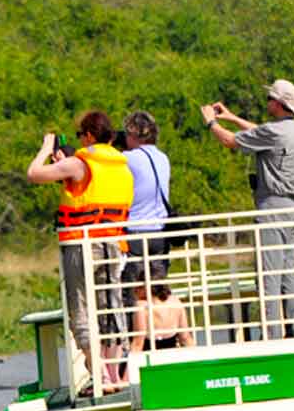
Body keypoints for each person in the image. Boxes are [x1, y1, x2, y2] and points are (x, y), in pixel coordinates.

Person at [27, 110, 133, 392]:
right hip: (113, 245)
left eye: (80, 137)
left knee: (81, 309)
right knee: (109, 309)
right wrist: (66, 167)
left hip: (82, 245)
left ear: (88, 136)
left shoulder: (80, 163)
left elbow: (34, 174)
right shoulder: (120, 164)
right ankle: (114, 374)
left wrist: (45, 150)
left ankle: (99, 375)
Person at [201, 78, 294, 339]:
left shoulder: (275, 132)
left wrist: (212, 122)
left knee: (268, 276)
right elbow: (260, 132)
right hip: (292, 208)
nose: (268, 102)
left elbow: (231, 142)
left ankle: (271, 336)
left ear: (279, 104)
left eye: (270, 99)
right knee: (288, 274)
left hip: (271, 207)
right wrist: (233, 118)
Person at [120, 111, 173, 311]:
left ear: (133, 135)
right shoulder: (163, 158)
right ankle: (164, 332)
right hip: (161, 231)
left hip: (136, 231)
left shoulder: (127, 159)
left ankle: (134, 335)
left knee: (132, 289)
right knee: (158, 289)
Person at [128, 282, 194, 357]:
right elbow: (186, 338)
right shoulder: (175, 301)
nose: (134, 290)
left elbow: (138, 343)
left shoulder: (141, 306)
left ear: (146, 288)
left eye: (138, 286)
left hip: (149, 358)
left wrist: (128, 365)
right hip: (172, 356)